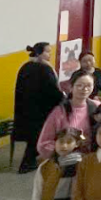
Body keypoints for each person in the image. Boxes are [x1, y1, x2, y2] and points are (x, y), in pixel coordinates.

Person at [15, 42, 66, 173]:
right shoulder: (44, 69)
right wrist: (64, 98)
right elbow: (52, 91)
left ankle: (33, 160)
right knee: (37, 138)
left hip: (26, 111)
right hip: (40, 112)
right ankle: (28, 164)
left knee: (33, 139)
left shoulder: (25, 67)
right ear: (39, 53)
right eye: (47, 52)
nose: (50, 54)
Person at [37, 72, 96, 159]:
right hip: (65, 160)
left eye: (89, 85)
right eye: (79, 85)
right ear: (71, 87)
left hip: (91, 160)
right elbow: (43, 144)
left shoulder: (97, 107)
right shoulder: (59, 112)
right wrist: (63, 149)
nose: (85, 89)